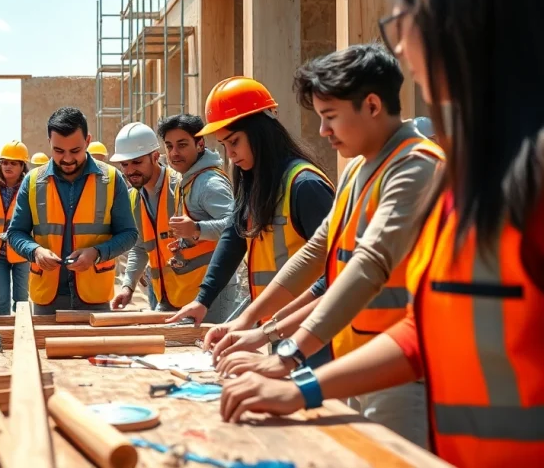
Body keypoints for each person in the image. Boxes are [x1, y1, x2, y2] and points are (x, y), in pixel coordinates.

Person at [218, 0, 544, 467]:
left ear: (463, 21)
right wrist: (298, 382)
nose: (400, 46)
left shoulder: (502, 173)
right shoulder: (467, 175)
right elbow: (425, 328)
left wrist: (286, 352)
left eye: (402, 21)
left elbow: (368, 268)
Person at [203, 45, 443, 447]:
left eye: (330, 117)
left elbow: (368, 267)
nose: (322, 131)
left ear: (371, 105)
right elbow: (317, 257)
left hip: (401, 372)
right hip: (353, 363)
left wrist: (287, 357)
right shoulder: (360, 170)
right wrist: (253, 326)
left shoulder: (415, 166)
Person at [166, 78, 334, 358]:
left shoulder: (304, 186)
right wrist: (203, 300)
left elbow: (336, 270)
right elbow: (233, 238)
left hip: (315, 330)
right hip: (277, 327)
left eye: (234, 142)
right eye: (223, 145)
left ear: (261, 133)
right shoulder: (257, 184)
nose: (230, 154)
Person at [8, 107, 138, 314]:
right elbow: (15, 233)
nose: (67, 159)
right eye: (59, 151)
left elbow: (129, 234)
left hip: (94, 297)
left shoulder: (112, 180)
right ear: (49, 142)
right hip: (46, 299)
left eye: (75, 151)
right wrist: (36, 251)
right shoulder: (32, 182)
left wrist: (96, 253)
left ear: (88, 141)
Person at [112, 117, 236, 313]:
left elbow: (236, 228)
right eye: (124, 165)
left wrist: (196, 229)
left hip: (210, 299)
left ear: (154, 157)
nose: (130, 170)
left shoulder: (185, 183)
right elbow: (141, 247)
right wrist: (128, 286)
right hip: (167, 298)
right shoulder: (134, 198)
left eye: (136, 162)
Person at [0, 140, 32, 315]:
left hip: (21, 252)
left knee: (21, 300)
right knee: (0, 301)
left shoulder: (30, 189)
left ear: (22, 166)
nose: (8, 166)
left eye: (13, 163)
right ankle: (2, 340)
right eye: (4, 162)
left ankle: (21, 338)